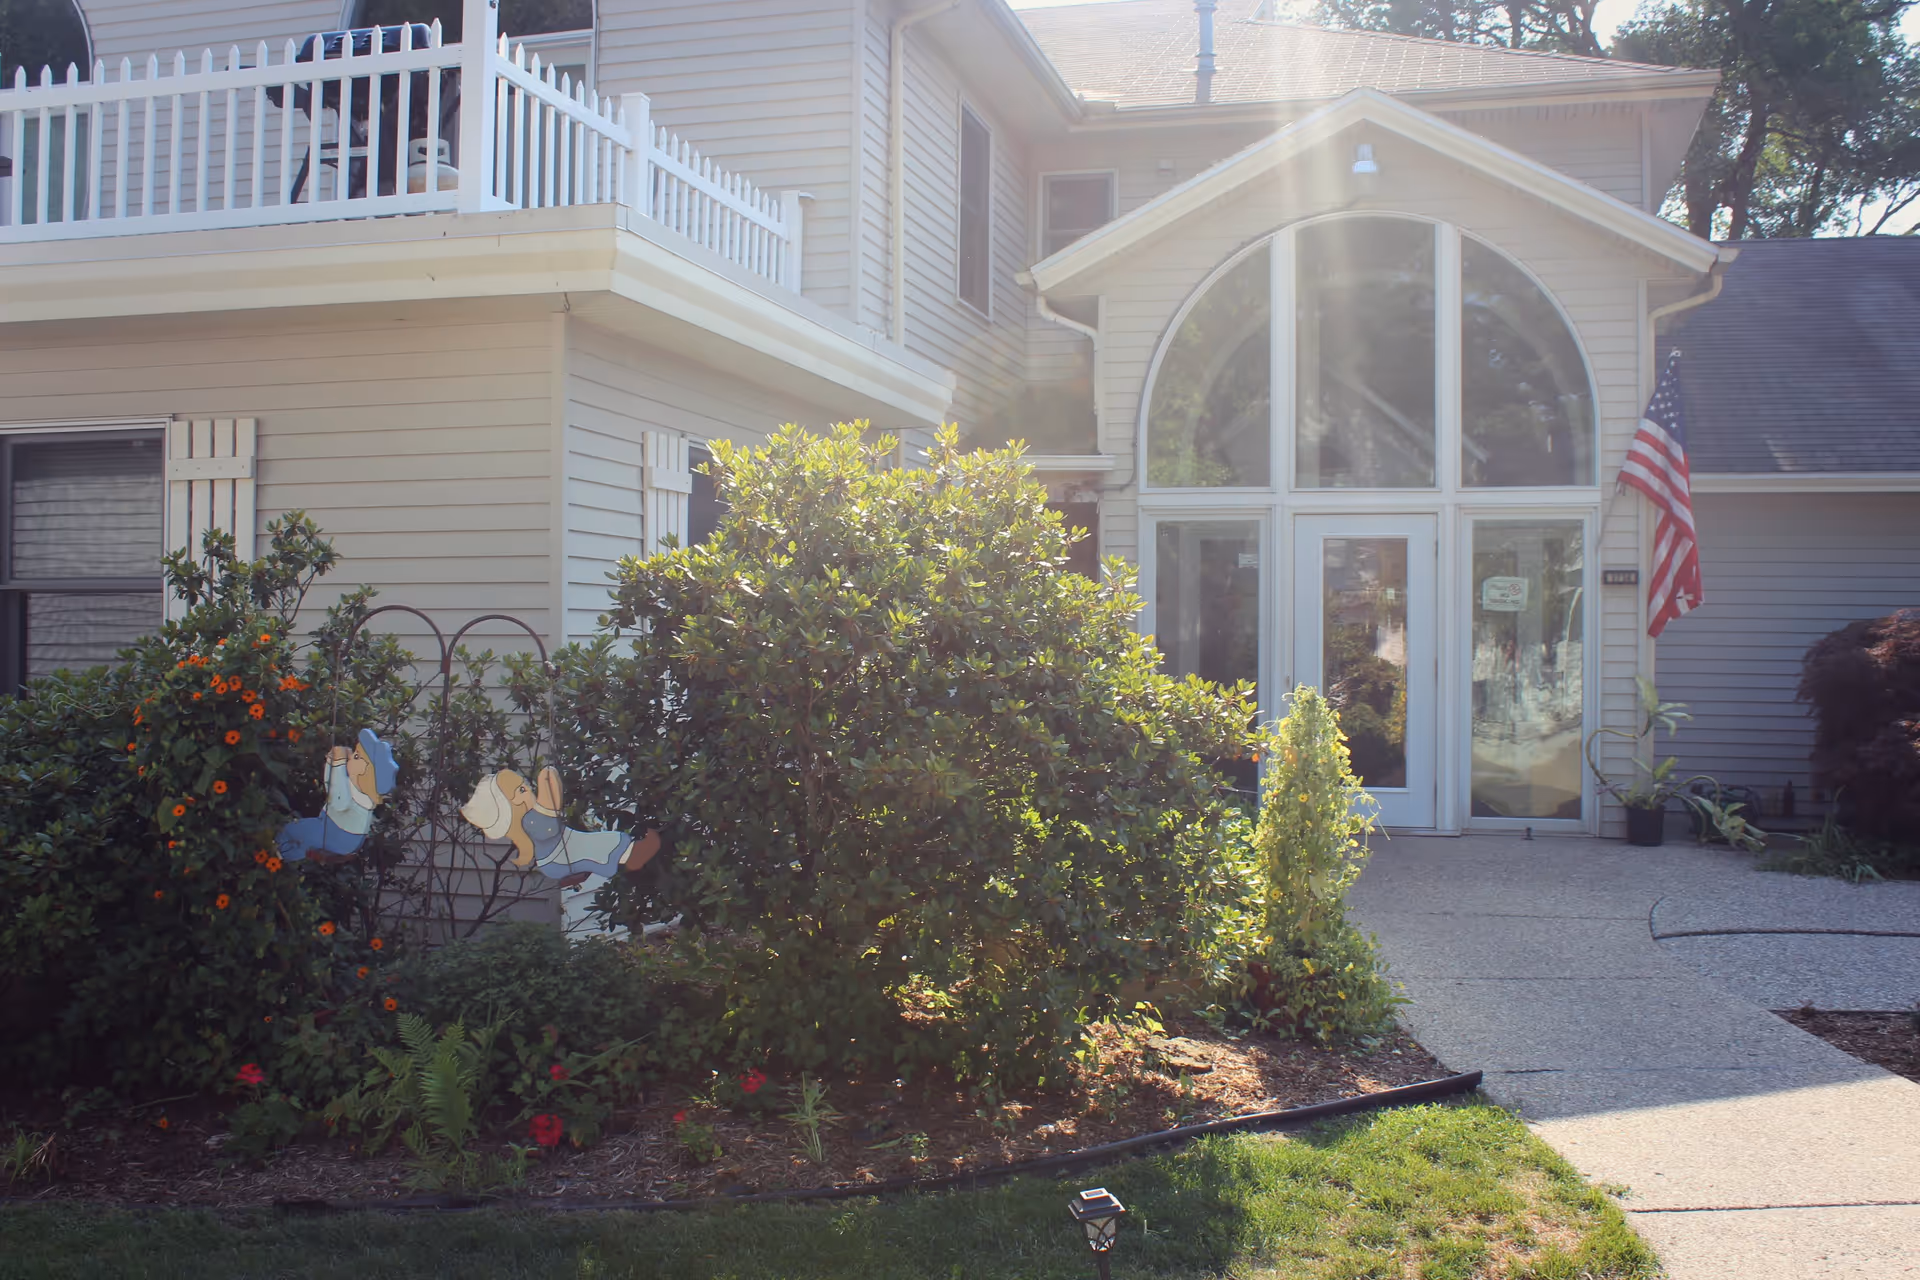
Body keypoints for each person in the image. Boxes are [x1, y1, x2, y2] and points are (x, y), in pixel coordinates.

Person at [275, 727, 398, 863]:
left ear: (364, 771)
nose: (351, 757)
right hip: (348, 839)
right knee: (307, 843)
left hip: (337, 832)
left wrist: (337, 763)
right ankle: (286, 855)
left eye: (356, 756)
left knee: (292, 829)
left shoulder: (356, 795)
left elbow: (337, 797)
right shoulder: (364, 795)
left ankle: (275, 850)